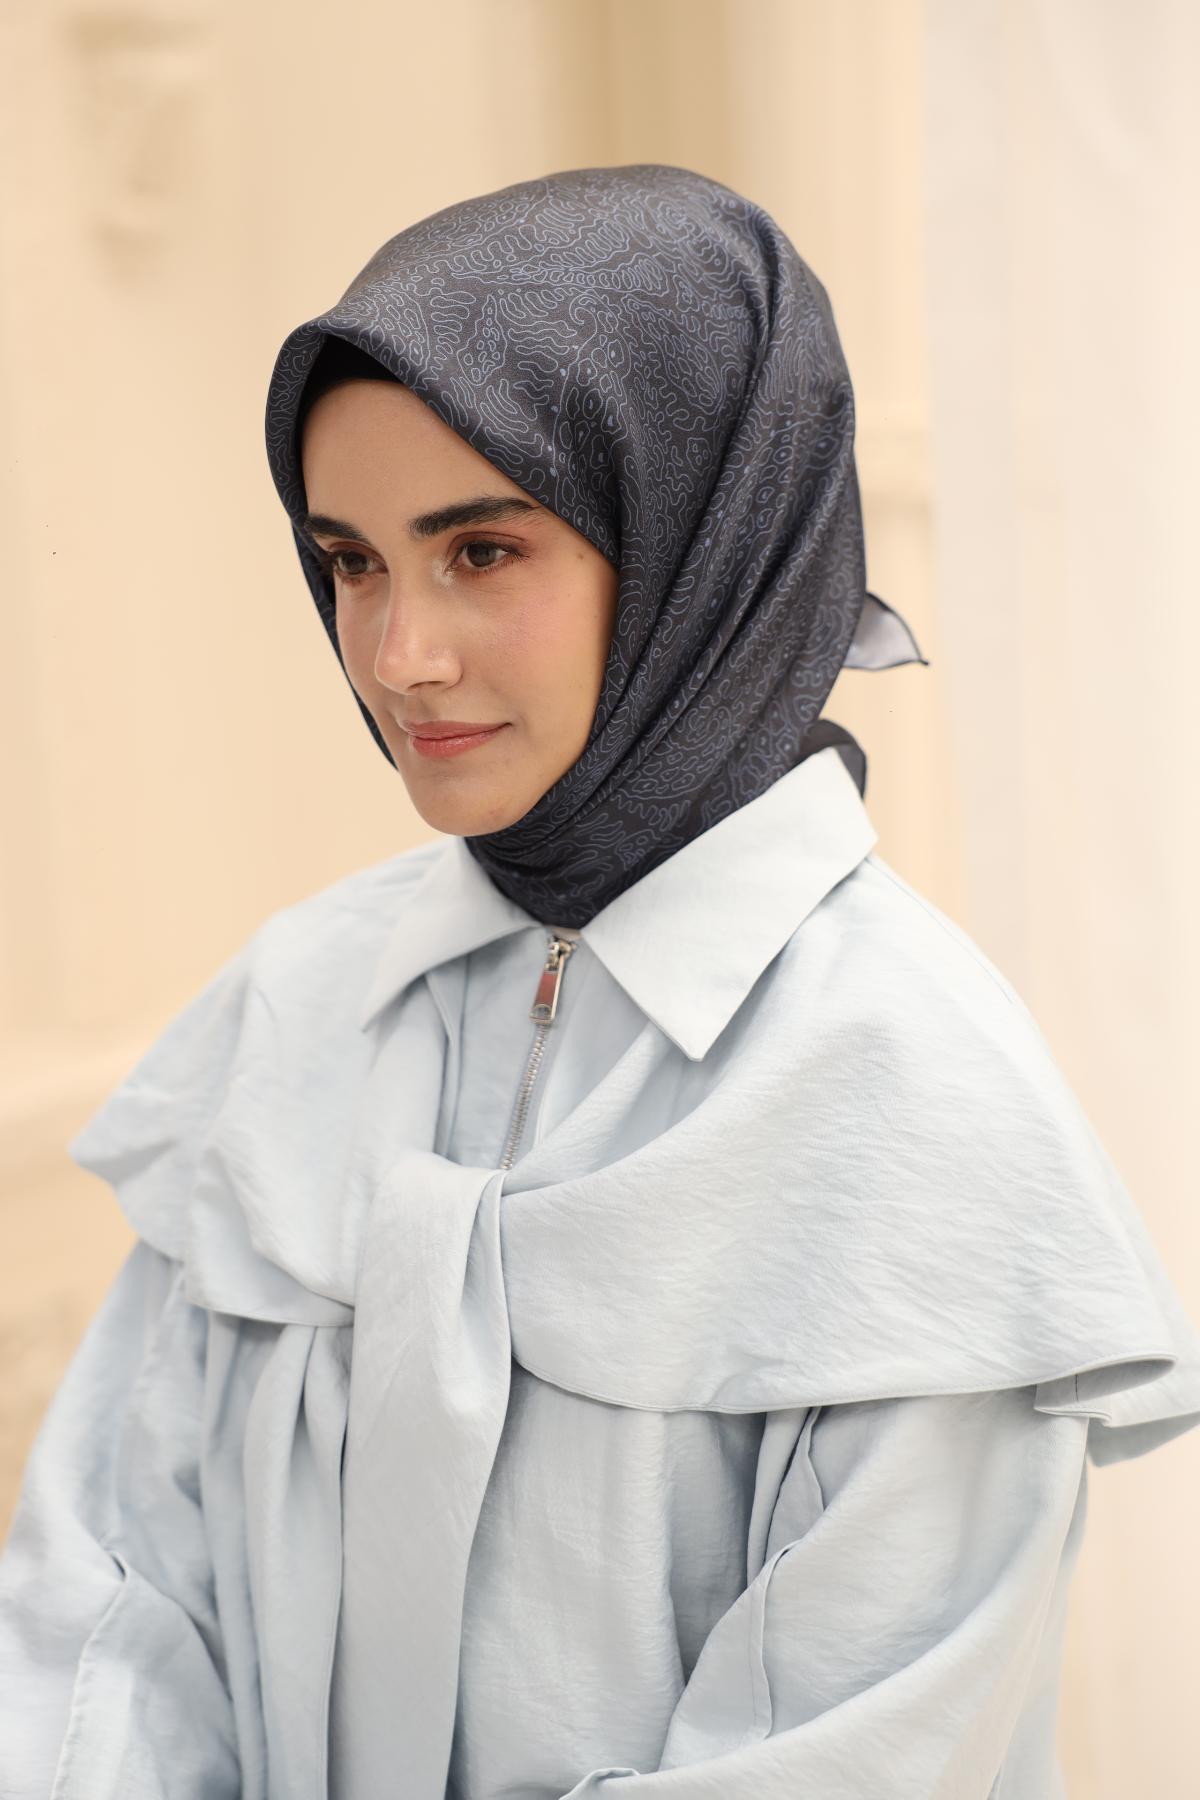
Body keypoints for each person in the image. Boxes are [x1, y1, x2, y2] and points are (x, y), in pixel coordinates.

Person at [1, 162, 1197, 1800]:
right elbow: (110, 1611)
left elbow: (844, 1759)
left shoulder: (914, 1097)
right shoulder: (295, 1008)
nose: (400, 656)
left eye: (482, 550)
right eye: (351, 561)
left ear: (707, 538)